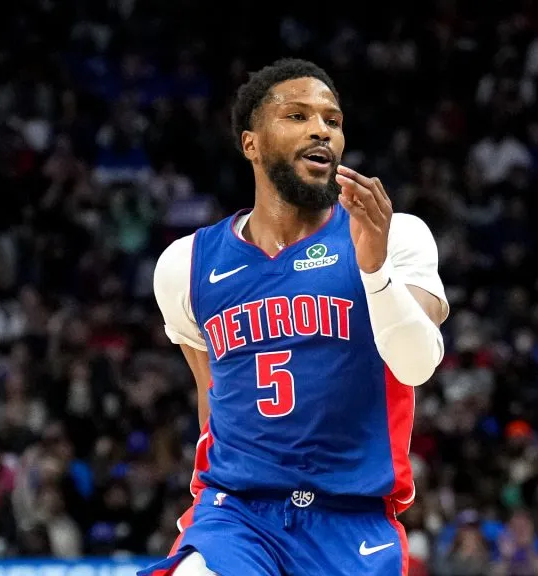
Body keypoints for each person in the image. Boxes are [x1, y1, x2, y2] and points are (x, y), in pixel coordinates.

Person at [141, 58, 449, 576]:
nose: (320, 130)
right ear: (251, 144)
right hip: (239, 516)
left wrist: (374, 269)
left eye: (332, 119)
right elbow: (212, 398)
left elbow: (417, 366)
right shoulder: (185, 264)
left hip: (351, 518)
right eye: (298, 116)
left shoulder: (396, 235)